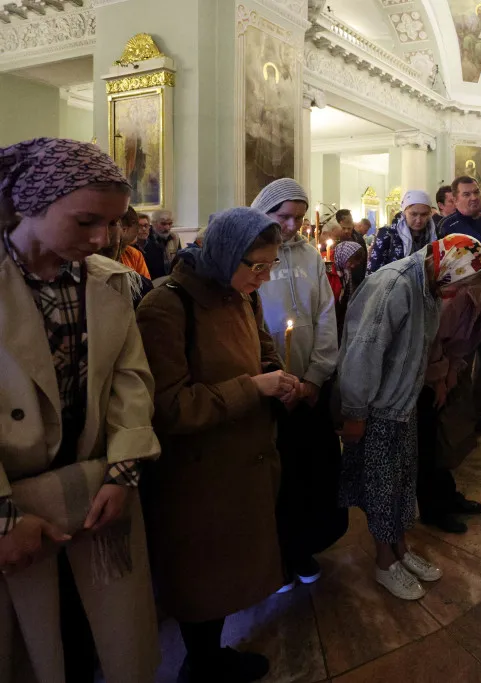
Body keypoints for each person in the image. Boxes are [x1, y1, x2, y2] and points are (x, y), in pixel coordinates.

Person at [0, 138, 161, 683]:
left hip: (97, 494)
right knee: (34, 649)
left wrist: (123, 472)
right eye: (87, 221)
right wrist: (3, 519)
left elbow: (129, 378)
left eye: (113, 225)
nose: (102, 239)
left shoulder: (109, 280)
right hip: (16, 508)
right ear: (32, 204)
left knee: (106, 642)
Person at [137, 208, 301, 682]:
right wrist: (255, 387)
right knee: (200, 578)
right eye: (258, 266)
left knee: (227, 573)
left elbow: (261, 349)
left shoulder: (240, 294)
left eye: (272, 266)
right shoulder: (167, 306)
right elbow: (167, 407)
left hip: (243, 461)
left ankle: (210, 654)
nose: (265, 277)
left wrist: (279, 374)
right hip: (198, 473)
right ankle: (200, 664)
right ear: (227, 253)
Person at [334, 234, 481, 600]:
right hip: (378, 408)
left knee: (403, 484)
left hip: (403, 404)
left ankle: (401, 550)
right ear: (450, 264)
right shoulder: (394, 285)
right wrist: (355, 412)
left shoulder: (431, 284)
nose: (460, 291)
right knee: (381, 489)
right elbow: (362, 351)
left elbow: (421, 345)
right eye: (462, 281)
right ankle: (384, 561)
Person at [251, 178, 348, 592]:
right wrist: (279, 382)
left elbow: (326, 316)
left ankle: (303, 546)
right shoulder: (250, 256)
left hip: (309, 386)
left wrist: (313, 378)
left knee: (310, 472)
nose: (291, 226)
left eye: (298, 217)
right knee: (275, 478)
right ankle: (270, 556)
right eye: (282, 217)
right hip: (268, 386)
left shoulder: (310, 257)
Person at [419, 273, 481, 533]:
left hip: (446, 369)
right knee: (429, 443)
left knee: (449, 434)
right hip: (425, 374)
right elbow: (434, 340)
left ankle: (447, 496)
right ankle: (432, 510)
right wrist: (438, 380)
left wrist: (451, 375)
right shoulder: (460, 298)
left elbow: (464, 346)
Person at [439, 177, 481, 435]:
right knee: (462, 365)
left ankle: (477, 414)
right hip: (466, 306)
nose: (473, 198)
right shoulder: (449, 226)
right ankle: (460, 421)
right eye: (466, 194)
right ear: (455, 199)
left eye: (476, 192)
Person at [367, 190, 438, 275]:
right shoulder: (388, 234)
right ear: (404, 212)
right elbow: (373, 271)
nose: (418, 220)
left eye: (424, 215)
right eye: (413, 214)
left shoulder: (434, 235)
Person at [330, 240, 366, 340]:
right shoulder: (328, 268)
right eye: (351, 262)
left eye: (355, 264)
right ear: (344, 255)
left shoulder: (345, 271)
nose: (353, 266)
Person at [142, 208, 181, 280]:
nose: (167, 227)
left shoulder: (174, 238)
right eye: (163, 224)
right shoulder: (146, 238)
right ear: (153, 223)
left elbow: (178, 262)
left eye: (170, 224)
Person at [116, 206, 152, 280]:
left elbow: (146, 285)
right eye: (138, 226)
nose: (140, 230)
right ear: (124, 229)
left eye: (146, 226)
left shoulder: (135, 254)